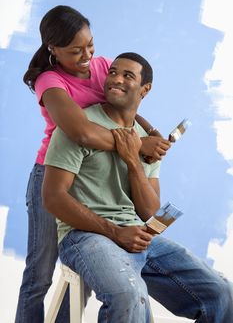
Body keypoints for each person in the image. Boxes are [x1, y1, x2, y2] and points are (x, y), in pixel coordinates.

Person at [43, 52, 233, 323]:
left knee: (221, 293)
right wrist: (115, 232)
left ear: (145, 89)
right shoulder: (78, 128)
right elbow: (53, 198)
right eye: (112, 72)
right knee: (129, 295)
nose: (115, 79)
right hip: (85, 236)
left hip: (137, 235)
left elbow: (150, 211)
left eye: (127, 75)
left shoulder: (149, 143)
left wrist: (133, 160)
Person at [15, 6, 171, 323]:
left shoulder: (101, 66)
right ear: (53, 49)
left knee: (86, 270)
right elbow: (81, 131)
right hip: (55, 172)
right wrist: (138, 144)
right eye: (76, 51)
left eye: (90, 45)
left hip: (95, 174)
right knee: (40, 273)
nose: (87, 55)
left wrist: (152, 132)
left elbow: (126, 102)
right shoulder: (50, 81)